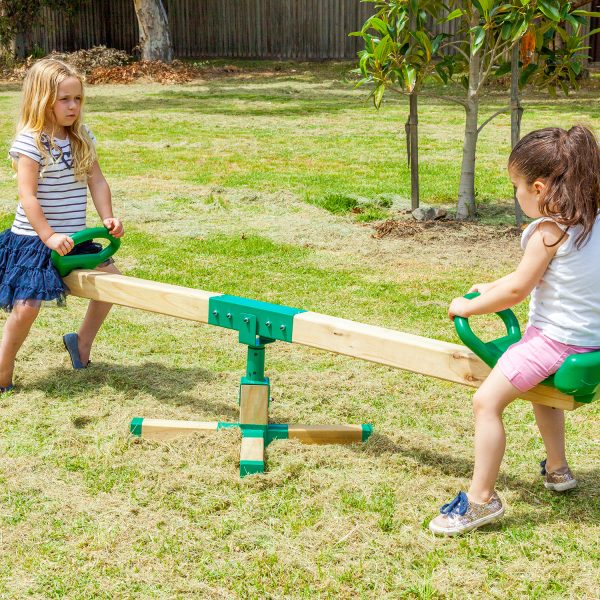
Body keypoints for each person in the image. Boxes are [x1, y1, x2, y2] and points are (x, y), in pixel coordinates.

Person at [429, 125, 600, 536]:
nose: (517, 194)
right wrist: (491, 285)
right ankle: (557, 470)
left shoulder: (546, 231)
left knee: (486, 403)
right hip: (589, 343)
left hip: (553, 341)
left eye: (516, 187)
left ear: (538, 188)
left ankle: (480, 500)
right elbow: (544, 276)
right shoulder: (589, 223)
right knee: (545, 396)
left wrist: (467, 305)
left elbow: (519, 289)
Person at [0, 58, 124, 392]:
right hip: (35, 241)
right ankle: (3, 368)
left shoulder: (81, 137)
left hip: (76, 239)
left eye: (78, 99)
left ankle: (81, 342)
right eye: (64, 100)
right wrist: (49, 236)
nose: (73, 106)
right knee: (27, 308)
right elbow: (28, 196)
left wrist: (107, 216)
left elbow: (96, 182)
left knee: (113, 284)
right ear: (42, 101)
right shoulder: (31, 142)